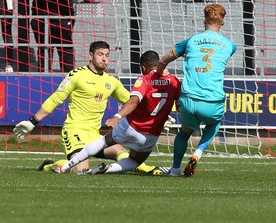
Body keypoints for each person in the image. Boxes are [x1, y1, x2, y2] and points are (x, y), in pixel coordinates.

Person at [13, 41, 165, 174]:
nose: (104, 58)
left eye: (107, 55)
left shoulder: (111, 81)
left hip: (95, 135)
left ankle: (143, 168)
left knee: (121, 152)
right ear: (91, 55)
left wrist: (159, 114)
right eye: (100, 54)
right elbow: (55, 98)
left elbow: (133, 102)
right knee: (81, 171)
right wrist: (32, 121)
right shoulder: (76, 75)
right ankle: (51, 165)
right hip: (75, 132)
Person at [52, 50, 181, 174]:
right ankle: (109, 169)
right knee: (134, 161)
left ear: (143, 66)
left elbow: (133, 101)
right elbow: (179, 104)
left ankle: (64, 167)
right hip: (150, 135)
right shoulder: (174, 80)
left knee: (103, 142)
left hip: (131, 126)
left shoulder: (144, 80)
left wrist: (117, 116)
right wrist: (166, 116)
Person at [156, 3, 236, 177]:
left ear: (204, 20)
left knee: (184, 132)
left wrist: (160, 73)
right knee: (214, 124)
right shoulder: (230, 46)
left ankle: (175, 169)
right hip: (212, 101)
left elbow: (163, 60)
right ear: (222, 22)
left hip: (189, 100)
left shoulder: (190, 41)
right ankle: (198, 152)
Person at [28, 0, 81, 73]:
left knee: (65, 48)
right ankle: (42, 78)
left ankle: (69, 78)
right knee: (43, 49)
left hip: (62, 14)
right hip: (40, 13)